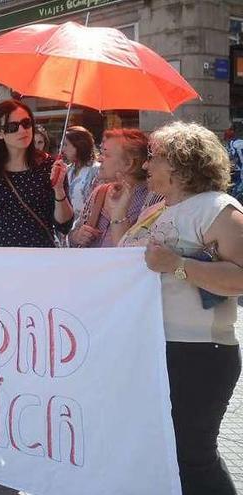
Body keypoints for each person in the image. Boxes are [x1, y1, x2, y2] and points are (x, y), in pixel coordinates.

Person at [118, 121, 243, 495]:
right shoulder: (159, 209)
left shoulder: (220, 209)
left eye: (154, 158)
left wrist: (179, 265)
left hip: (199, 352)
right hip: (158, 347)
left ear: (180, 164)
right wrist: (118, 214)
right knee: (166, 453)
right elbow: (124, 263)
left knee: (192, 455)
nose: (145, 166)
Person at [0, 100, 73, 247]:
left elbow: (64, 225)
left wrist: (59, 190)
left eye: (26, 123)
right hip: (0, 253)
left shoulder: (50, 166)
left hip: (40, 254)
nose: (22, 130)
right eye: (12, 127)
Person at [68, 129, 161, 248]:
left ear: (129, 163)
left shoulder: (154, 200)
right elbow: (72, 236)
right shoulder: (100, 192)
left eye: (106, 154)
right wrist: (77, 236)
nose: (99, 159)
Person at [62, 125, 101, 220]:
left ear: (79, 146)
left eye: (66, 145)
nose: (63, 150)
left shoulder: (96, 170)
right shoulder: (67, 170)